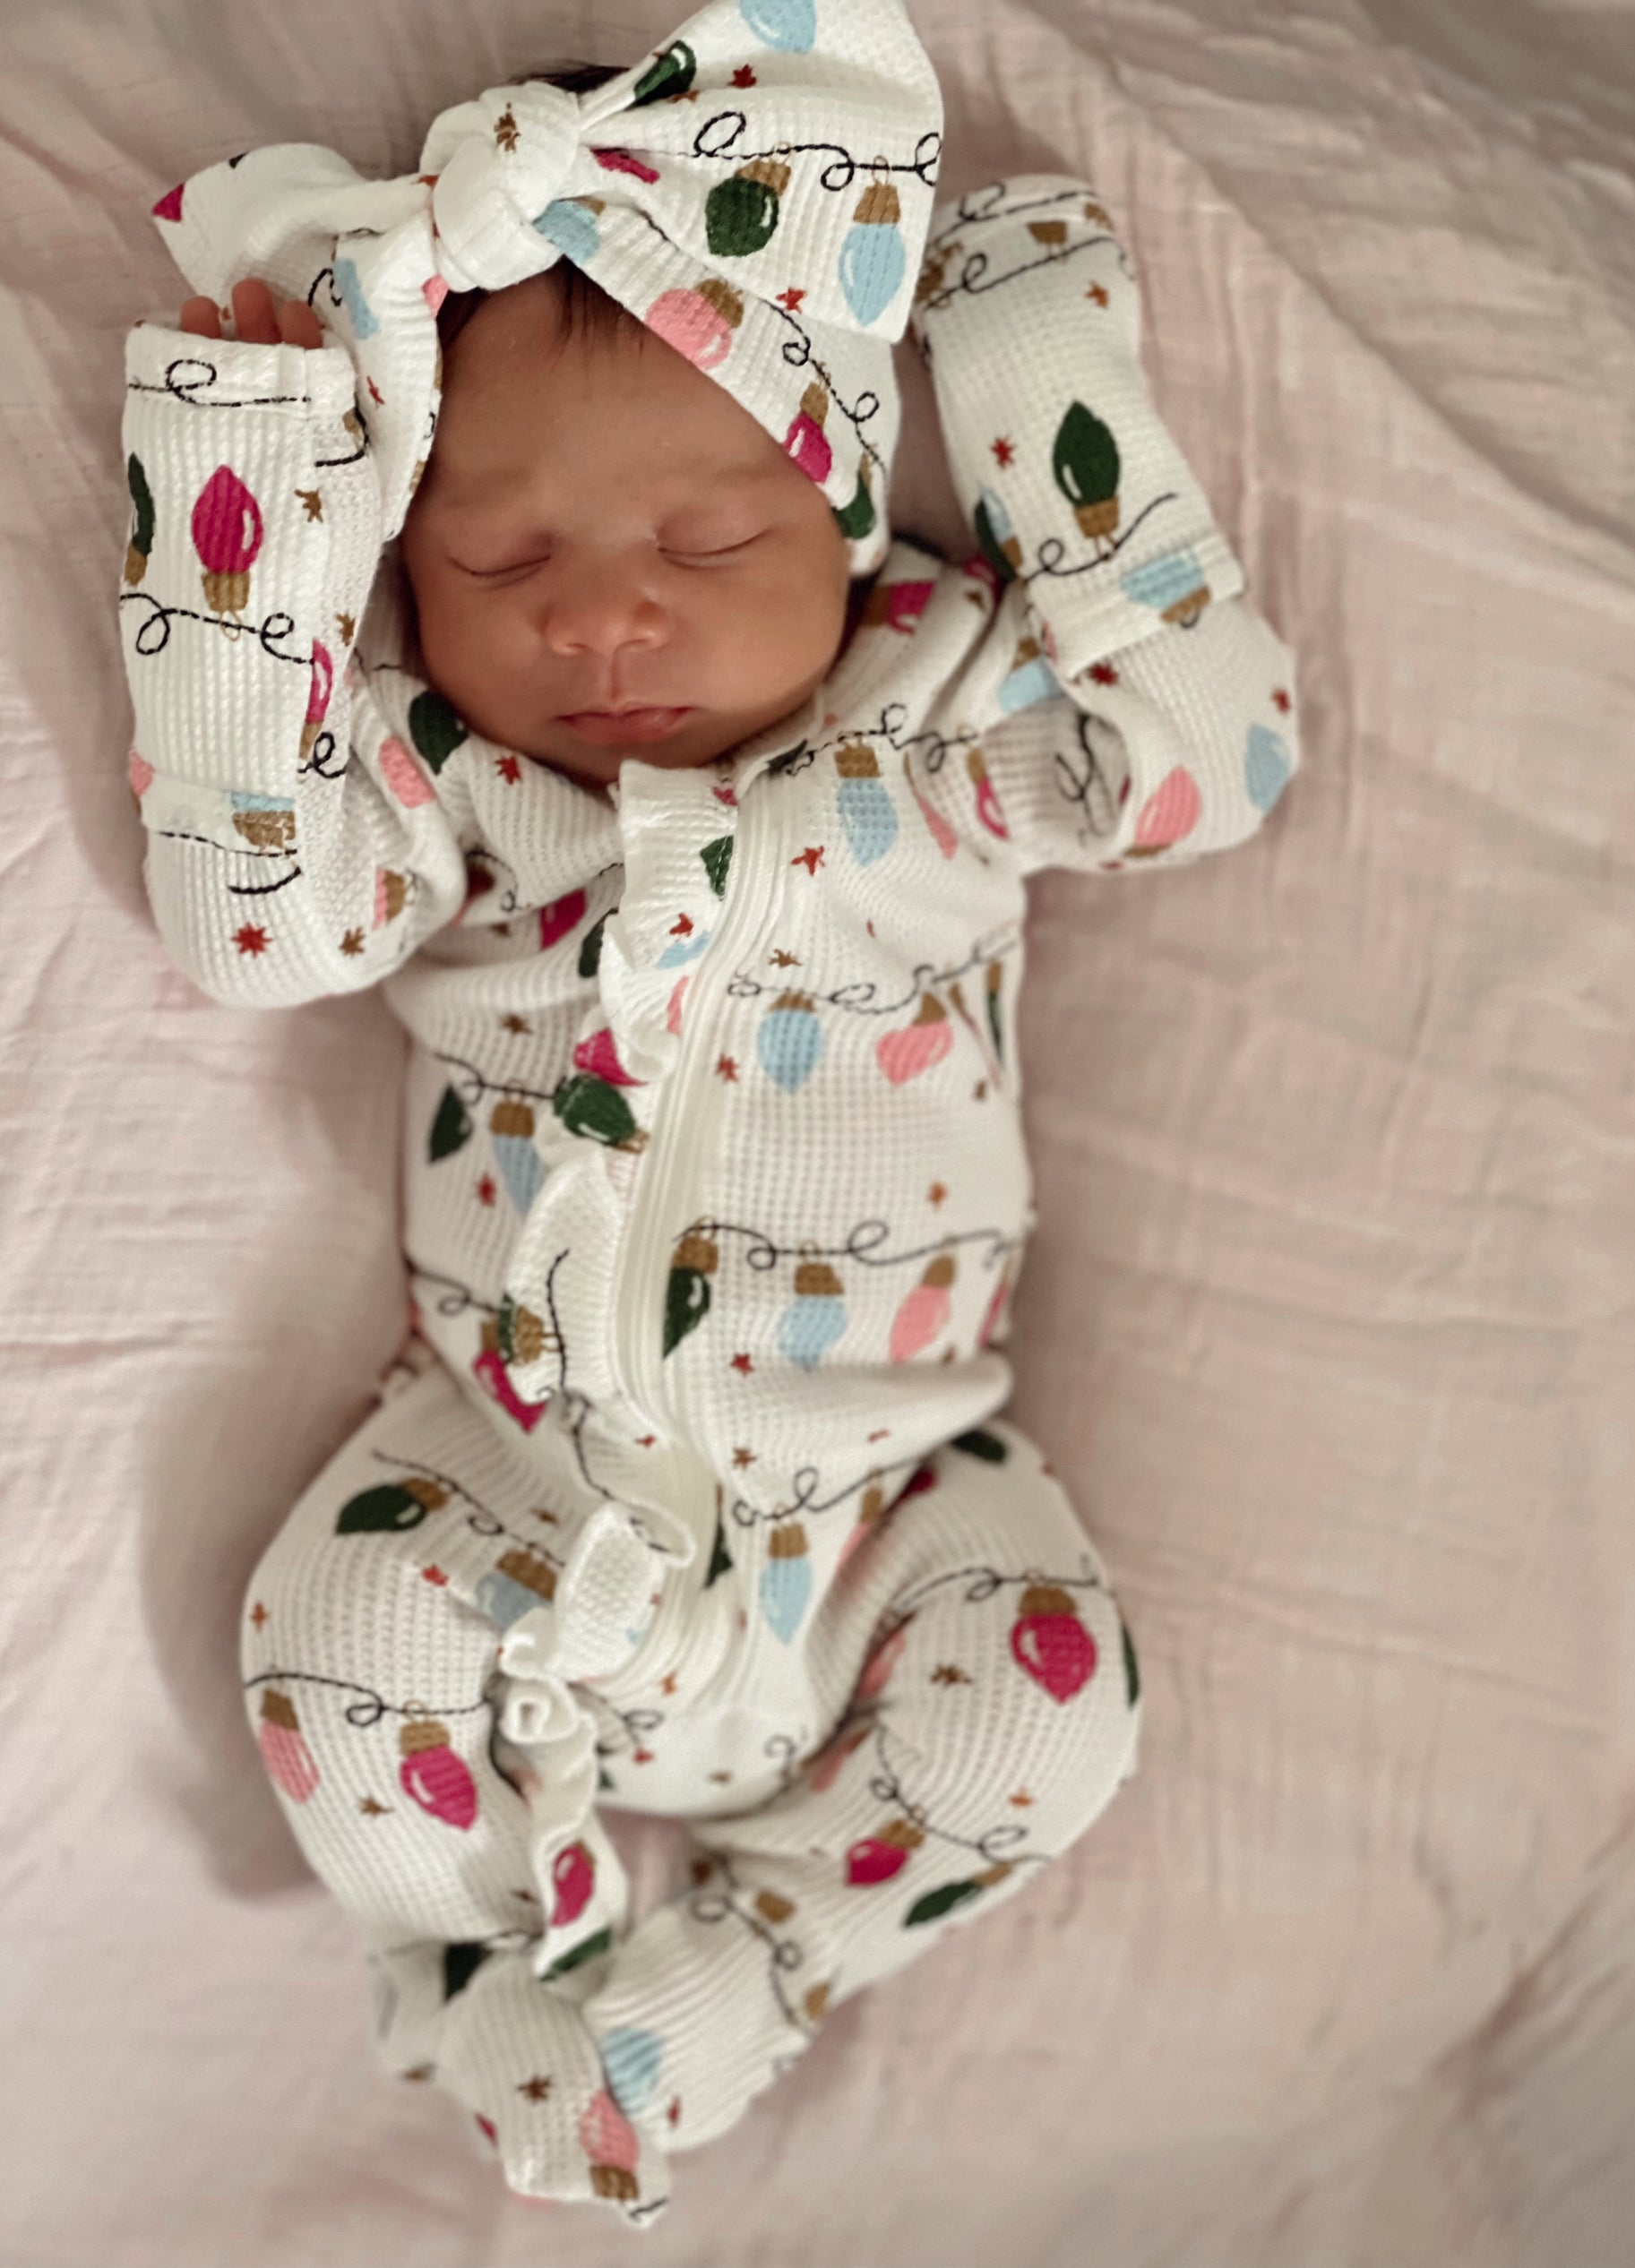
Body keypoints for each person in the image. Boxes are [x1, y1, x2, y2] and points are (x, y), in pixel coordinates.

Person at [117, 0, 1298, 2226]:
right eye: (496, 563)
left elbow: (1211, 763)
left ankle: (739, 1976)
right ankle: (482, 1972)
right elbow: (248, 916)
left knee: (1045, 1712)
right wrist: (252, 494)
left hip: (888, 1507)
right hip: (503, 1468)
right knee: (333, 1641)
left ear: (844, 524)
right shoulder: (457, 800)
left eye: (709, 530)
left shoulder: (943, 727)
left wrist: (1031, 362)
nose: (600, 615)